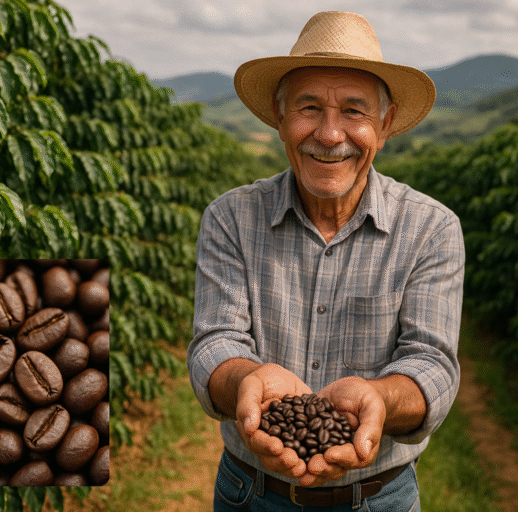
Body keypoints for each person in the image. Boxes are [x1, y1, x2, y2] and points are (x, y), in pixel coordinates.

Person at [187, 10, 465, 511]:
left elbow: (432, 363)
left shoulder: (432, 228)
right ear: (280, 118)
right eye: (309, 107)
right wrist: (248, 381)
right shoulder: (230, 217)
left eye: (354, 112)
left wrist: (378, 398)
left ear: (385, 125)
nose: (330, 134)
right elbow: (216, 340)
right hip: (250, 494)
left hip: (379, 499)